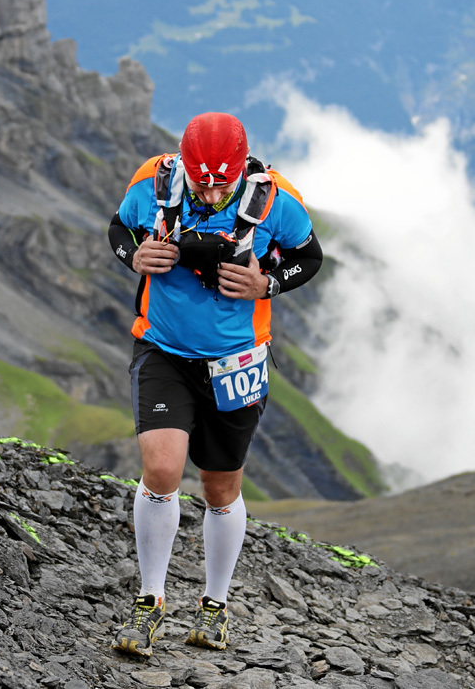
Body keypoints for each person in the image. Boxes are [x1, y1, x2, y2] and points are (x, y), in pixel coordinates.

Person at [106, 112, 323, 656]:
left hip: (236, 361)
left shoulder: (276, 200)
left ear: (240, 167)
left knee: (220, 488)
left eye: (221, 181)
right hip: (164, 350)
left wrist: (265, 282)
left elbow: (310, 257)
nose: (209, 190)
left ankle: (215, 605)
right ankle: (150, 601)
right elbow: (117, 227)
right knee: (161, 469)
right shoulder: (153, 182)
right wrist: (132, 254)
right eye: (201, 179)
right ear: (184, 163)